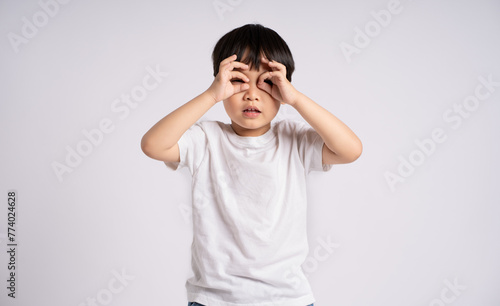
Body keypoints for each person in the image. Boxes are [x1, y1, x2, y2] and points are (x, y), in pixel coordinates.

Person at [141, 23, 362, 306]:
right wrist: (210, 95)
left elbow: (350, 150)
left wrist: (296, 99)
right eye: (238, 81)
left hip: (287, 298)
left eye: (267, 83)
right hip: (213, 298)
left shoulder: (293, 140)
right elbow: (153, 145)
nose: (252, 94)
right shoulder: (205, 140)